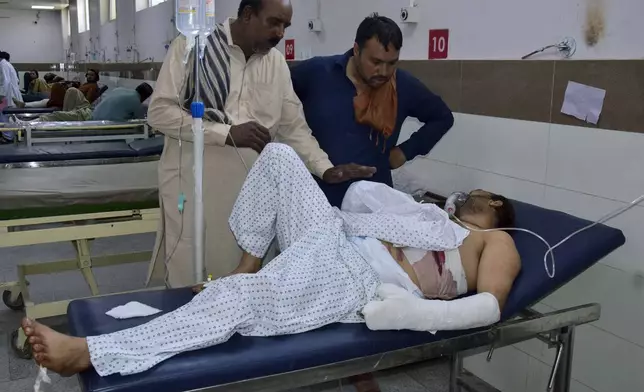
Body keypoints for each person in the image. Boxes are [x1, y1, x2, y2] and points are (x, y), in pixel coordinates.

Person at [21, 143, 520, 378]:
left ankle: (92, 352)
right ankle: (248, 267)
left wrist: (408, 315)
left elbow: (488, 309)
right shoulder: (436, 218)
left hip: (358, 279)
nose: (465, 196)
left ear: (494, 204)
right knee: (279, 155)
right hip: (338, 236)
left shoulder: (497, 240)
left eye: (475, 193)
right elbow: (361, 204)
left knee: (237, 300)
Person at [146, 0, 375, 288]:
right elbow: (159, 113)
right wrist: (225, 133)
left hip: (253, 197)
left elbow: (293, 127)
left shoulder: (276, 64)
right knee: (190, 278)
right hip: (195, 188)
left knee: (244, 282)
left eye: (285, 26)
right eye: (274, 22)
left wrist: (324, 168)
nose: (280, 33)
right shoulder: (193, 47)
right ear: (247, 15)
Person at [291, 14, 455, 207]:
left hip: (373, 205)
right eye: (375, 62)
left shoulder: (401, 85)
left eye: (392, 63)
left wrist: (405, 151)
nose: (384, 72)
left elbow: (442, 117)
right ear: (356, 50)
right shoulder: (317, 73)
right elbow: (276, 98)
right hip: (315, 201)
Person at [36, 83, 153, 122]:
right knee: (59, 116)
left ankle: (28, 123)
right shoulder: (136, 102)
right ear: (145, 96)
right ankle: (28, 124)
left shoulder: (120, 89)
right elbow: (141, 122)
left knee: (59, 115)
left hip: (89, 112)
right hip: (90, 118)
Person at [0, 51, 21, 143]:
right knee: (9, 116)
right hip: (11, 94)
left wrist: (1, 95)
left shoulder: (2, 64)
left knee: (4, 115)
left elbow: (5, 81)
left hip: (7, 95)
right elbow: (16, 80)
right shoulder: (7, 64)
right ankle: (10, 135)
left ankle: (7, 137)